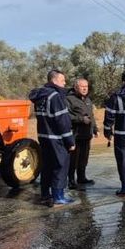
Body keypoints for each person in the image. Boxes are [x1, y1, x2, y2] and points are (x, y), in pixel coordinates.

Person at [28, 70, 75, 206]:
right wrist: (70, 141)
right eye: (62, 80)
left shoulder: (40, 96)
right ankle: (58, 196)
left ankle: (45, 194)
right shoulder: (55, 96)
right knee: (60, 166)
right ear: (54, 81)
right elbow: (62, 121)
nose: (65, 83)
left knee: (47, 166)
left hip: (43, 137)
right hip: (56, 138)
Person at [66, 78, 98, 188]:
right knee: (73, 159)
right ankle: (71, 180)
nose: (85, 88)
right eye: (82, 86)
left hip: (86, 134)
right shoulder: (69, 99)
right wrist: (80, 119)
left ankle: (82, 178)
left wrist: (95, 129)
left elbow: (91, 115)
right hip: (75, 135)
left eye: (86, 86)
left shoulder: (88, 100)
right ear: (75, 87)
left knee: (84, 158)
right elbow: (66, 116)